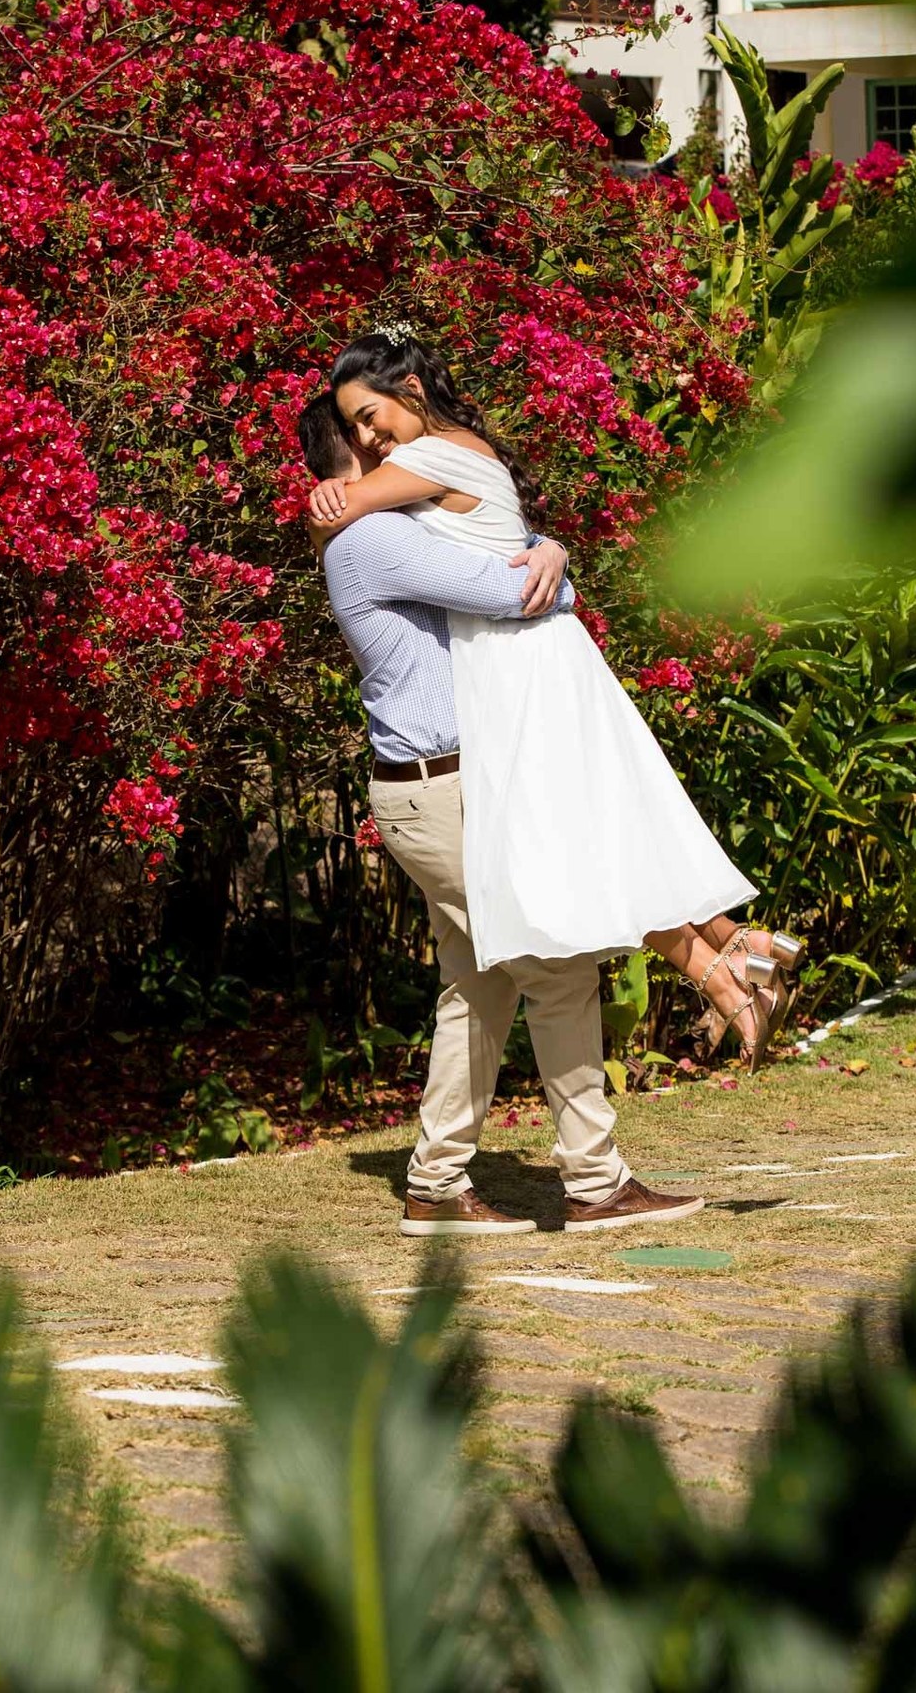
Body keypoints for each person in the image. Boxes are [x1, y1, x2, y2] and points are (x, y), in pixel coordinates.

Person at [309, 331, 806, 1078]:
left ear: (410, 388)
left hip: (528, 662)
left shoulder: (421, 461)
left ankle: (730, 970)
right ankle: (736, 947)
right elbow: (488, 535)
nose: (369, 438)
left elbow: (345, 506)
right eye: (354, 431)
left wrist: (328, 499)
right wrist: (549, 546)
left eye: (371, 416)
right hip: (540, 659)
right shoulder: (457, 453)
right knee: (608, 826)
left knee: (590, 846)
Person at [297, 389, 707, 1236]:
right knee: (555, 969)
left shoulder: (383, 528)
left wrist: (544, 544)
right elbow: (518, 590)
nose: (391, 442)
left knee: (478, 989)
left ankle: (437, 1185)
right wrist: (548, 554)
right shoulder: (374, 538)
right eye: (370, 434)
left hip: (448, 785)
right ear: (354, 455)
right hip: (439, 790)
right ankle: (595, 1184)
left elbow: (508, 556)